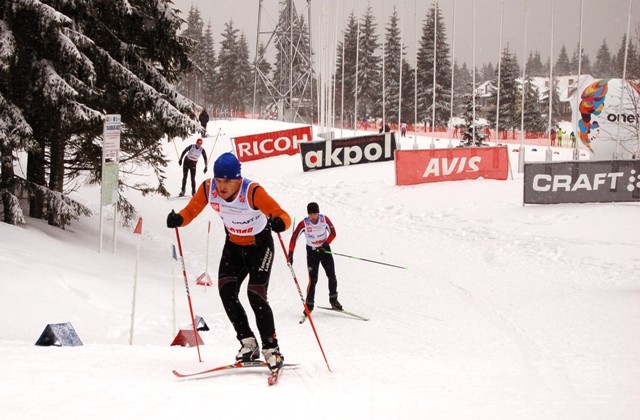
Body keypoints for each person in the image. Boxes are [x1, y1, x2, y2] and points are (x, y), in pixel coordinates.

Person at [166, 152, 291, 371]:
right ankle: (248, 343)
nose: (222, 186)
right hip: (233, 245)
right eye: (219, 180)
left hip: (259, 246)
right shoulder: (208, 188)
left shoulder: (252, 191)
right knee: (227, 292)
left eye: (227, 181)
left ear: (238, 179)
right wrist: (179, 219)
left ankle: (272, 349)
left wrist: (281, 222)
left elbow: (281, 214)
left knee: (256, 294)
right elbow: (191, 210)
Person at [287, 202, 342, 316]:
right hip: (312, 252)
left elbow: (333, 233)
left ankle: (334, 300)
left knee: (331, 275)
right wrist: (290, 254)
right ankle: (309, 305)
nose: (313, 216)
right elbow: (294, 238)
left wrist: (325, 244)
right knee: (313, 279)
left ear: (318, 212)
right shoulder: (304, 223)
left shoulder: (324, 219)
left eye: (315, 213)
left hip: (325, 250)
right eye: (311, 214)